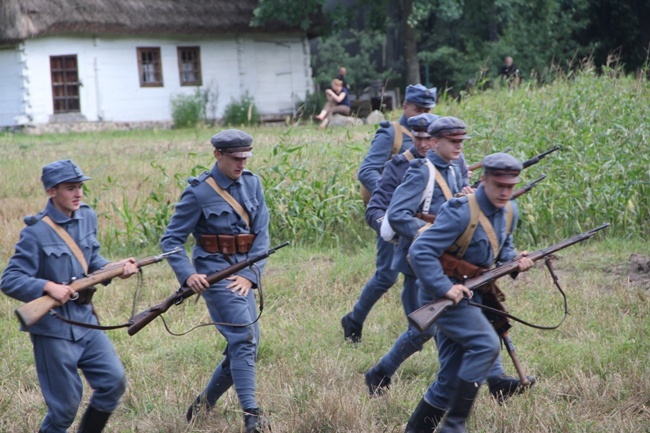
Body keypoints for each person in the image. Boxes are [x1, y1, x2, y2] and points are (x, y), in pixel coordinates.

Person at [365, 118, 531, 402]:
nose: (459, 147)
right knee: (424, 330)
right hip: (423, 263)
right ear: (434, 141)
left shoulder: (457, 168)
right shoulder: (421, 170)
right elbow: (398, 214)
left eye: (461, 142)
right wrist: (429, 234)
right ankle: (381, 372)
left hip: (457, 265)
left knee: (478, 317)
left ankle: (495, 380)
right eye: (453, 142)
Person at [1, 159, 139, 433]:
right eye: (70, 188)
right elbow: (10, 279)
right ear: (52, 191)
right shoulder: (36, 232)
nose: (78, 193)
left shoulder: (87, 216)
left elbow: (92, 260)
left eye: (80, 187)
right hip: (54, 327)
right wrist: (47, 287)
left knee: (113, 382)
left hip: (85, 321)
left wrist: (115, 268)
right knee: (64, 410)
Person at [405, 152, 535, 433]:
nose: (504, 192)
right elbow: (420, 251)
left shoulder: (510, 211)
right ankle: (454, 425)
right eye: (499, 184)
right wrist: (444, 288)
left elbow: (503, 248)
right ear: (484, 180)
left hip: (471, 294)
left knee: (451, 377)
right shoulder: (460, 210)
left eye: (510, 186)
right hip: (439, 296)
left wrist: (516, 262)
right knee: (486, 344)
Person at [160, 129, 270, 433]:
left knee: (246, 344)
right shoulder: (198, 192)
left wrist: (250, 276)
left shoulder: (253, 183)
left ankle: (203, 405)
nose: (242, 164)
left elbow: (262, 235)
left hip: (243, 273)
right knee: (244, 340)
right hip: (215, 274)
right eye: (235, 159)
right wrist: (188, 274)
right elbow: (171, 241)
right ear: (217, 155)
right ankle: (252, 415)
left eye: (245, 158)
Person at [341, 85, 436, 344]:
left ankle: (418, 331)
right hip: (389, 213)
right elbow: (368, 171)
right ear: (405, 106)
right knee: (386, 275)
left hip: (420, 217)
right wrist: (396, 198)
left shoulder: (435, 133)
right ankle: (354, 320)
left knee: (415, 273)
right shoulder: (391, 132)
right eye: (418, 109)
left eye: (428, 110)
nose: (422, 114)